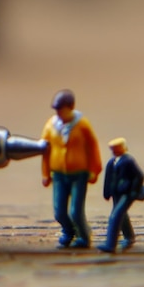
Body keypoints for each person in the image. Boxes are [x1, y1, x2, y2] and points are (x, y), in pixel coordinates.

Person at [41, 89, 102, 248]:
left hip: (79, 173)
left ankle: (83, 236)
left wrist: (94, 169)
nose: (58, 112)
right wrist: (45, 173)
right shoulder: (50, 125)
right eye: (56, 109)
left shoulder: (82, 125)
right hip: (59, 174)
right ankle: (68, 231)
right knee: (59, 212)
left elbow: (93, 147)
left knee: (76, 211)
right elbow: (45, 150)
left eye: (61, 109)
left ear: (71, 107)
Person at [98, 137, 144, 253]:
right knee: (123, 216)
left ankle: (110, 245)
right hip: (116, 192)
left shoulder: (128, 161)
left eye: (116, 148)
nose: (114, 151)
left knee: (115, 217)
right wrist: (106, 192)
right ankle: (129, 237)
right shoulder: (112, 162)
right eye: (112, 149)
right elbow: (108, 178)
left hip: (126, 193)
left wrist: (133, 191)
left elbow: (139, 176)